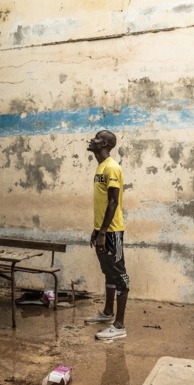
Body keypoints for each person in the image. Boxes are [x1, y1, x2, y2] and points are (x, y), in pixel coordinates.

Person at [84, 130, 130, 340]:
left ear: (104, 143)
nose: (91, 140)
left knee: (120, 276)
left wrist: (103, 232)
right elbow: (103, 203)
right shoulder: (101, 166)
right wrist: (96, 229)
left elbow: (113, 201)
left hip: (112, 231)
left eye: (96, 138)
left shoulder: (111, 167)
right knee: (109, 273)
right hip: (103, 230)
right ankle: (108, 313)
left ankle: (119, 326)